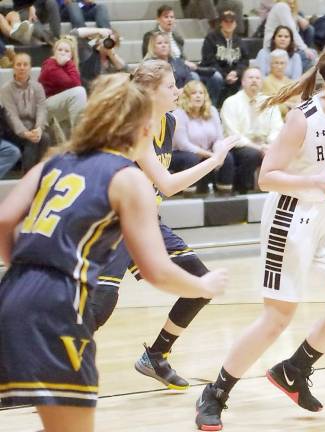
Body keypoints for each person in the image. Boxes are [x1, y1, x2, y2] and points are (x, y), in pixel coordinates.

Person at [0, 72, 228, 432]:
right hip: (59, 303)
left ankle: (156, 354)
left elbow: (3, 219)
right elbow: (156, 270)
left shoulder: (55, 160)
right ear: (138, 126)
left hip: (10, 294)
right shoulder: (127, 177)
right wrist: (206, 285)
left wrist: (26, 268)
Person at [195, 44, 325, 431]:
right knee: (278, 317)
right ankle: (215, 393)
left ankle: (294, 368)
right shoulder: (304, 119)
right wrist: (313, 180)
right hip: (291, 216)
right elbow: (267, 176)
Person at [91, 60, 238, 391]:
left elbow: (158, 188)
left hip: (146, 221)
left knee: (200, 284)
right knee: (100, 305)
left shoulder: (169, 122)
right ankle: (31, 369)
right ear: (148, 92)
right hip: (114, 220)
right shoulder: (132, 126)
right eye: (171, 86)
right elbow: (168, 183)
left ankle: (156, 355)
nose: (179, 91)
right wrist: (214, 161)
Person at [221, 67, 283, 194]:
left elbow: (277, 128)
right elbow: (233, 135)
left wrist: (269, 145)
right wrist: (258, 148)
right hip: (239, 146)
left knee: (286, 150)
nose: (254, 80)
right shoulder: (231, 102)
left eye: (257, 78)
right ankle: (243, 191)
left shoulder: (269, 102)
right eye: (250, 78)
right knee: (251, 154)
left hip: (266, 144)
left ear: (261, 82)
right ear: (242, 82)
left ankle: (276, 192)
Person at [172, 80, 234, 195]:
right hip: (181, 153)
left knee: (227, 157)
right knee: (191, 158)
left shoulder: (212, 111)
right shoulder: (178, 114)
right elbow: (183, 144)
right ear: (186, 96)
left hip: (208, 152)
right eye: (194, 93)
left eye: (201, 93)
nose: (198, 96)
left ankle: (225, 196)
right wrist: (213, 156)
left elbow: (218, 138)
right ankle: (189, 197)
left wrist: (219, 152)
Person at [1, 52, 50, 172]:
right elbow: (11, 115)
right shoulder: (6, 89)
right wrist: (25, 133)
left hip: (34, 127)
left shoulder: (38, 87)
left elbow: (42, 109)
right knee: (32, 141)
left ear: (30, 67)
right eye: (18, 64)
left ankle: (41, 172)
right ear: (13, 68)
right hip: (14, 131)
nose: (22, 68)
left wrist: (39, 128)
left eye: (25, 64)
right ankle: (28, 175)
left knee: (44, 137)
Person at [38, 36, 87, 141]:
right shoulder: (49, 64)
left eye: (66, 51)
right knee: (79, 92)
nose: (62, 53)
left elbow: (74, 83)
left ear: (71, 55)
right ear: (54, 52)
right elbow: (75, 84)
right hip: (42, 109)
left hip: (57, 107)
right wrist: (69, 63)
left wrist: (69, 64)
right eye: (59, 50)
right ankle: (81, 135)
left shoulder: (69, 67)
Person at [199, 9, 249, 107]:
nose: (229, 24)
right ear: (221, 23)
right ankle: (211, 106)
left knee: (250, 77)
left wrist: (236, 72)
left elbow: (244, 61)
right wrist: (225, 75)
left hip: (234, 75)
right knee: (216, 77)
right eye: (226, 21)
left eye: (232, 22)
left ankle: (240, 108)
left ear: (235, 24)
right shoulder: (211, 38)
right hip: (215, 73)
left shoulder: (239, 41)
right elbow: (209, 61)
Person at [263, 0, 316, 72]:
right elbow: (292, 31)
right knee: (310, 56)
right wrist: (305, 48)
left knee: (311, 52)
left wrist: (298, 18)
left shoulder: (288, 9)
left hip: (286, 46)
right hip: (273, 47)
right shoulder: (282, 6)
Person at [262, 49, 300, 118]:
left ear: (286, 65)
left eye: (282, 63)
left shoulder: (291, 83)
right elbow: (272, 105)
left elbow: (298, 103)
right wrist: (289, 105)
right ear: (270, 65)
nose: (279, 66)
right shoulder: (266, 82)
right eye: (276, 63)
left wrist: (285, 103)